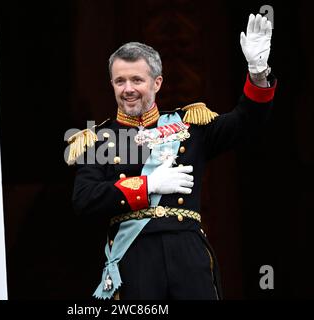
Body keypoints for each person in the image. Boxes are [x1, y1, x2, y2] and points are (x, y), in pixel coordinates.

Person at [66, 13, 276, 300]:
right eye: (120, 81)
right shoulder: (98, 140)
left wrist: (257, 71)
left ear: (157, 83)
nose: (128, 89)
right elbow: (84, 199)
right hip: (135, 258)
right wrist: (147, 186)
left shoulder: (190, 125)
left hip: (187, 255)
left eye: (137, 79)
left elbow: (247, 122)